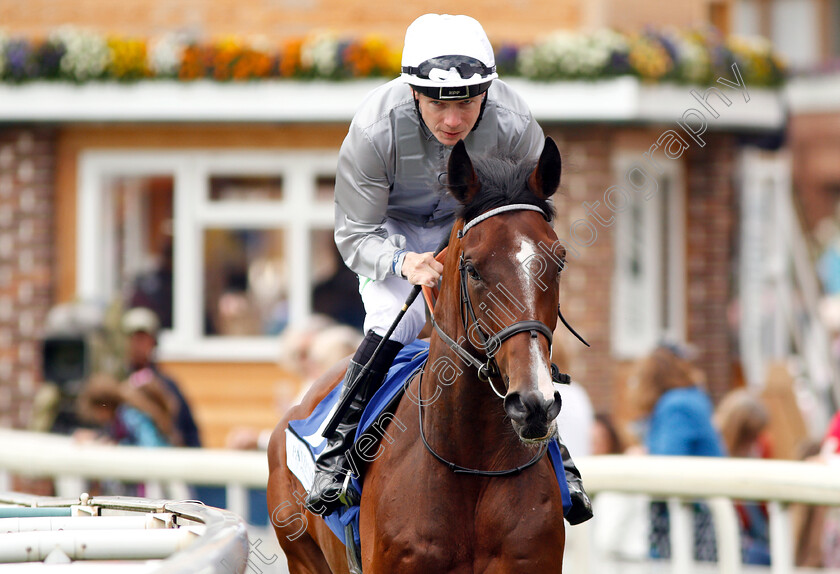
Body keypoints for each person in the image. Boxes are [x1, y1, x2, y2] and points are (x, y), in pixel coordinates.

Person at [305, 13, 591, 523]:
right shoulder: (373, 129)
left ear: (488, 91)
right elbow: (353, 234)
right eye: (438, 102)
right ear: (412, 90)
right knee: (396, 314)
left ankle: (554, 448)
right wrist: (401, 262)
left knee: (512, 316)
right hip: (391, 233)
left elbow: (529, 208)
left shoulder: (516, 122)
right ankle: (339, 449)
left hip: (472, 228)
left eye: (466, 103)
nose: (453, 120)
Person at [628, 344, 724, 561]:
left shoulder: (676, 405)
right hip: (699, 515)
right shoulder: (692, 398)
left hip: (692, 523)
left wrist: (640, 457)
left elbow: (665, 465)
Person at [122, 307, 202, 447]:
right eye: (132, 339)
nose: (136, 345)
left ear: (153, 341)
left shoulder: (167, 385)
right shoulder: (118, 383)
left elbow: (187, 433)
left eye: (142, 339)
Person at [714, 389, 772, 565]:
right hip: (732, 532)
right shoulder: (715, 452)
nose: (754, 442)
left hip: (757, 527)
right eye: (750, 436)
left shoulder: (760, 447)